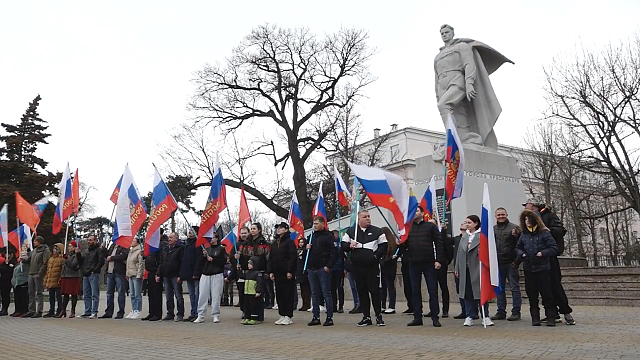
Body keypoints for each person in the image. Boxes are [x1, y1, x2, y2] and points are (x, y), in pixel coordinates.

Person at [434, 24, 512, 149]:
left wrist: (469, 83)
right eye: (442, 33)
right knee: (457, 112)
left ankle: (450, 137)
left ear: (453, 33)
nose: (444, 35)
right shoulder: (438, 56)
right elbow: (436, 76)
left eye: (447, 32)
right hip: (442, 84)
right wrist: (437, 93)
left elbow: (469, 64)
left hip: (457, 79)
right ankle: (463, 137)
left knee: (443, 105)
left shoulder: (462, 46)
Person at [524, 200, 576, 325]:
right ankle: (552, 313)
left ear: (534, 207)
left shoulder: (549, 216)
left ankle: (566, 312)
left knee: (555, 285)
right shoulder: (527, 221)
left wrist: (548, 230)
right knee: (543, 289)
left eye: (528, 207)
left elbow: (561, 231)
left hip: (549, 258)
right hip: (535, 260)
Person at [341, 210, 387, 327]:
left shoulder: (377, 231)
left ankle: (378, 316)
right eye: (364, 217)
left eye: (368, 216)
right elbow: (343, 245)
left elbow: (384, 246)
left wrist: (375, 256)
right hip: (357, 267)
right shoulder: (351, 231)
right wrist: (349, 246)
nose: (367, 219)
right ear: (359, 219)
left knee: (375, 291)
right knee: (362, 292)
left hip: (372, 267)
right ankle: (366, 317)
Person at [515, 210, 558, 327]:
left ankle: (550, 317)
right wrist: (522, 254)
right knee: (532, 295)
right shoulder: (524, 234)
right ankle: (535, 318)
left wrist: (543, 253)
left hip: (542, 268)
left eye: (529, 219)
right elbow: (518, 248)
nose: (527, 222)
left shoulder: (544, 233)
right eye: (525, 220)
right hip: (529, 268)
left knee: (546, 294)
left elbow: (554, 248)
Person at [405, 207, 444, 327]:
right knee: (415, 291)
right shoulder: (408, 228)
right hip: (413, 263)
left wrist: (438, 260)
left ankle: (435, 317)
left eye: (417, 211)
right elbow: (404, 246)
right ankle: (417, 317)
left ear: (422, 213)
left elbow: (439, 243)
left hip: (429, 263)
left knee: (432, 290)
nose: (415, 213)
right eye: (413, 211)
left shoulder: (430, 226)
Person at [454, 215, 494, 327]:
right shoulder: (465, 236)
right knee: (467, 293)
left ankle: (485, 316)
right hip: (464, 269)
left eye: (469, 223)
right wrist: (457, 267)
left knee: (480, 292)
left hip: (477, 268)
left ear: (476, 223)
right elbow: (459, 253)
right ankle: (469, 316)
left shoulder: (481, 236)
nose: (467, 225)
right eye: (466, 222)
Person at [491, 207, 522, 321]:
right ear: (496, 216)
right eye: (498, 215)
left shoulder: (514, 228)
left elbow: (520, 245)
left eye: (502, 214)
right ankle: (501, 311)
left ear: (506, 214)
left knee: (514, 288)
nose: (501, 217)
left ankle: (516, 311)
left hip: (511, 263)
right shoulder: (492, 229)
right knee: (499, 288)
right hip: (498, 263)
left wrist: (517, 261)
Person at [305, 216, 337, 327]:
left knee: (326, 293)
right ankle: (315, 317)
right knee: (314, 294)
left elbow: (334, 253)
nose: (315, 226)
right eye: (314, 224)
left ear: (323, 224)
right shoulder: (311, 236)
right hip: (312, 268)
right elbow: (306, 253)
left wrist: (328, 266)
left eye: (317, 223)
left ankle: (329, 317)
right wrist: (307, 248)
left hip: (322, 268)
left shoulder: (328, 236)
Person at [235, 223, 270, 322]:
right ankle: (247, 314)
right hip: (247, 270)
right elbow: (240, 254)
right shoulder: (246, 243)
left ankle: (258, 315)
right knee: (246, 295)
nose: (252, 230)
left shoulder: (263, 243)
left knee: (257, 294)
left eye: (254, 228)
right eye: (251, 228)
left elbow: (268, 257)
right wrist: (238, 259)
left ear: (259, 230)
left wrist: (267, 270)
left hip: (259, 270)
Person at [267, 222, 297, 325]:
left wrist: (290, 270)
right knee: (279, 294)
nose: (278, 230)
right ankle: (282, 314)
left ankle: (288, 315)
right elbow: (271, 258)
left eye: (280, 228)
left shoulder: (290, 242)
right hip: (277, 272)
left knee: (287, 293)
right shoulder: (275, 243)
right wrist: (270, 271)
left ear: (286, 229)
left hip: (286, 273)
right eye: (277, 228)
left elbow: (292, 257)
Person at [194, 234, 228, 323]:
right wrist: (203, 256)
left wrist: (214, 259)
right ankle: (201, 315)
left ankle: (215, 315)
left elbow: (223, 262)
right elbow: (200, 262)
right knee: (203, 295)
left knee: (216, 295)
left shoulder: (221, 249)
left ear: (216, 238)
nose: (211, 239)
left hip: (217, 274)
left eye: (212, 237)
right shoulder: (206, 249)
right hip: (205, 274)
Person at [157, 232, 184, 321]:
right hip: (166, 275)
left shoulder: (180, 248)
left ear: (176, 239)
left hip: (175, 275)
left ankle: (180, 314)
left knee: (178, 296)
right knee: (168, 296)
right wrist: (158, 273)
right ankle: (170, 313)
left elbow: (182, 262)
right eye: (169, 237)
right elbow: (161, 262)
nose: (169, 239)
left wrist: (181, 275)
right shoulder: (165, 249)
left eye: (171, 237)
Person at [24, 236, 50, 318]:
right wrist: (24, 260)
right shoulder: (34, 251)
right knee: (31, 292)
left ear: (39, 242)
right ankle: (31, 310)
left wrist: (40, 273)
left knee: (39, 292)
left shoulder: (45, 250)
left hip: (38, 273)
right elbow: (29, 260)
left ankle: (39, 310)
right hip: (31, 273)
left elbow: (45, 262)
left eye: (35, 241)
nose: (34, 243)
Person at [101, 241, 129, 319]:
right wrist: (103, 250)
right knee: (109, 293)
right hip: (110, 272)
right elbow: (107, 256)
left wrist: (112, 258)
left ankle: (121, 312)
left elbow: (124, 256)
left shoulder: (124, 245)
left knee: (120, 292)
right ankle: (108, 312)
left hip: (119, 272)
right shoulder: (113, 245)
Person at [81, 235, 104, 319]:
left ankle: (94, 311)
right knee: (86, 294)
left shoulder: (98, 250)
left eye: (90, 240)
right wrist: (78, 254)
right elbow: (82, 262)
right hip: (85, 274)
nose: (88, 242)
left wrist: (95, 270)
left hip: (93, 274)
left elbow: (101, 261)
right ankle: (87, 311)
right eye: (88, 240)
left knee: (94, 294)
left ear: (95, 241)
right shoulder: (86, 251)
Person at [58, 241, 82, 318]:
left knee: (74, 294)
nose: (69, 248)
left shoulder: (77, 256)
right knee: (65, 294)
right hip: (66, 276)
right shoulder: (68, 256)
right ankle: (63, 310)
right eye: (68, 246)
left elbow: (73, 265)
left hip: (73, 276)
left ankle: (73, 311)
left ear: (75, 247)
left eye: (70, 246)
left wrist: (66, 259)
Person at [181, 228, 200, 322]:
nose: (190, 233)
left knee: (197, 294)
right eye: (189, 231)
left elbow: (198, 260)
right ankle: (193, 313)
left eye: (192, 231)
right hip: (188, 273)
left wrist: (196, 273)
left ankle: (197, 313)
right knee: (191, 294)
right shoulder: (187, 244)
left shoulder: (198, 244)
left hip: (195, 273)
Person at [142, 236, 163, 321]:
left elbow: (160, 261)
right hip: (150, 271)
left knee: (156, 294)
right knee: (150, 294)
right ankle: (151, 313)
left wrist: (158, 273)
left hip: (156, 272)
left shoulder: (159, 246)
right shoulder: (150, 246)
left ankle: (157, 314)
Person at [451, 222, 468, 319]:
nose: (464, 224)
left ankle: (472, 311)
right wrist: (443, 230)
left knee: (469, 290)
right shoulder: (457, 238)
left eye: (467, 223)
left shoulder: (471, 237)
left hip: (468, 267)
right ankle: (464, 310)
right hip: (458, 268)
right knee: (460, 290)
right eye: (462, 223)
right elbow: (445, 241)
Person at [380, 227, 398, 315]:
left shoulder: (391, 244)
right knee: (383, 287)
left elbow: (392, 256)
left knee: (390, 286)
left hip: (389, 268)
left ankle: (391, 306)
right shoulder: (385, 244)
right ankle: (382, 305)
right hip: (383, 267)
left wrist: (384, 260)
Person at [42, 243, 64, 318]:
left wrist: (60, 279)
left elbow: (62, 270)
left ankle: (60, 310)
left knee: (58, 296)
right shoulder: (51, 259)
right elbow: (48, 270)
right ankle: (51, 310)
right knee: (51, 297)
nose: (54, 250)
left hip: (57, 281)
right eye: (54, 249)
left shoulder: (61, 259)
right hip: (51, 281)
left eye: (56, 249)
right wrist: (46, 279)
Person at [125, 238, 144, 320]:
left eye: (133, 241)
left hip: (136, 275)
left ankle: (138, 310)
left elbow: (141, 264)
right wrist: (127, 273)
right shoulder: (131, 251)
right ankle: (133, 309)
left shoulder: (139, 251)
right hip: (131, 275)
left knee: (137, 294)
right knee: (132, 294)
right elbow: (128, 263)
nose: (131, 242)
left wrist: (139, 275)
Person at [232, 226, 250, 312]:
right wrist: (235, 262)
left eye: (245, 233)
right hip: (240, 272)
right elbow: (231, 257)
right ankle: (243, 310)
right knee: (241, 292)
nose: (243, 235)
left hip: (250, 271)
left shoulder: (251, 244)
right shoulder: (236, 245)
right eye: (242, 233)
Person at [242, 256, 264, 325]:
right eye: (248, 264)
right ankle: (247, 317)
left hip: (253, 293)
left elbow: (260, 283)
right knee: (247, 306)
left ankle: (255, 318)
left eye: (250, 264)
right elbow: (241, 276)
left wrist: (258, 291)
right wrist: (238, 270)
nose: (249, 265)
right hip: (247, 292)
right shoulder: (247, 272)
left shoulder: (258, 273)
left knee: (254, 306)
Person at [330, 230, 345, 314]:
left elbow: (344, 257)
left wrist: (344, 268)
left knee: (340, 287)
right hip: (332, 268)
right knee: (332, 288)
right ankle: (334, 305)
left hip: (339, 268)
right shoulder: (330, 244)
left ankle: (341, 306)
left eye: (335, 235)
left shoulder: (341, 244)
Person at [11, 251, 29, 317]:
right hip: (16, 282)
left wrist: (24, 260)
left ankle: (24, 310)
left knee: (23, 297)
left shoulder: (26, 263)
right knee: (17, 297)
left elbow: (27, 261)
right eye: (21, 255)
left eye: (24, 255)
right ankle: (18, 310)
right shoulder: (18, 264)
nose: (22, 256)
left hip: (23, 281)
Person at [295, 237, 311, 312]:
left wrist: (307, 249)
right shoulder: (297, 250)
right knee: (302, 289)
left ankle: (307, 304)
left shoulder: (306, 251)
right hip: (299, 271)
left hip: (305, 271)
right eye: (300, 242)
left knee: (306, 289)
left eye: (302, 242)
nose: (301, 244)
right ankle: (304, 304)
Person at [0, 251, 17, 316]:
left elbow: (8, 270)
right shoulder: (4, 262)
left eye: (8, 254)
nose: (6, 255)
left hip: (8, 281)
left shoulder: (12, 262)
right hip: (2, 281)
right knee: (3, 295)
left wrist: (6, 265)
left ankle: (5, 309)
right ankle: (3, 308)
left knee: (6, 295)